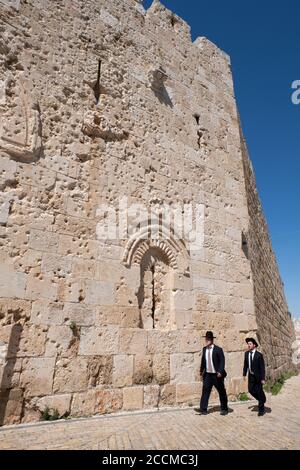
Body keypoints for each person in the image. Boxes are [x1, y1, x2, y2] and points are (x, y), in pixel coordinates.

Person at [197, 331, 228, 416]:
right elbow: (203, 361)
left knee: (221, 391)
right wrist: (201, 371)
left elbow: (222, 361)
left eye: (207, 339)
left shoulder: (218, 349)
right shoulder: (204, 349)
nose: (206, 340)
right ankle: (203, 409)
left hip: (217, 375)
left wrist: (220, 371)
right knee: (205, 391)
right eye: (206, 339)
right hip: (207, 375)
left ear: (211, 340)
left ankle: (224, 409)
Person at [243, 337, 267, 416]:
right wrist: (244, 374)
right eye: (248, 344)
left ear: (254, 345)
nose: (248, 345)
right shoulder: (246, 354)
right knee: (250, 390)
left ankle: (261, 410)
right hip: (251, 376)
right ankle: (262, 399)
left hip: (258, 376)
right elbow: (245, 365)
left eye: (250, 344)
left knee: (259, 392)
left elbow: (262, 368)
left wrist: (263, 378)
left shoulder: (259, 355)